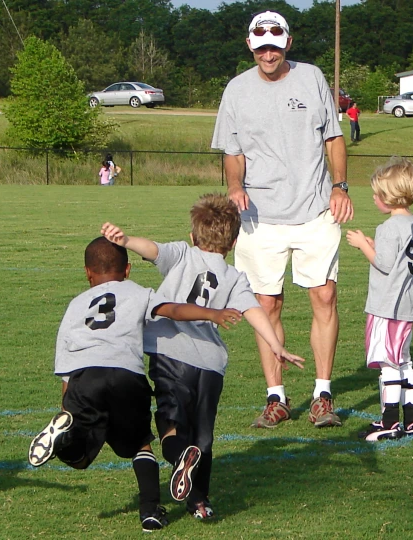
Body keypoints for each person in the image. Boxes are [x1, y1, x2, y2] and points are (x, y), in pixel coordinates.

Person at [101, 193, 305, 520]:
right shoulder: (234, 276)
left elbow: (153, 249)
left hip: (170, 353)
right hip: (210, 364)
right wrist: (276, 345)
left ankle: (180, 455)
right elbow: (253, 310)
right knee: (203, 434)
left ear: (193, 236)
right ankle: (200, 501)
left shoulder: (182, 254)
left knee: (170, 424)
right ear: (234, 241)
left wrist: (125, 239)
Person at [27, 237, 243, 532]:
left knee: (78, 457)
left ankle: (62, 435)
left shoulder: (76, 305)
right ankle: (151, 511)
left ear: (87, 273)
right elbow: (175, 310)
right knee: (141, 441)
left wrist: (67, 405)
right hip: (126, 374)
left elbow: (65, 362)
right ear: (127, 269)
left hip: (85, 377)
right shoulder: (138, 293)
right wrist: (213, 314)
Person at [211, 10, 354, 429]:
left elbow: (333, 139)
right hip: (259, 219)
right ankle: (276, 397)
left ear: (288, 43)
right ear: (250, 46)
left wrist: (340, 186)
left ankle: (322, 395)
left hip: (314, 211)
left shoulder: (311, 78)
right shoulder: (236, 91)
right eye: (260, 47)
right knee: (265, 305)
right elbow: (232, 153)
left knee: (324, 298)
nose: (268, 53)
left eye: (275, 45)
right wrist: (235, 185)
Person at [345, 157, 413, 441]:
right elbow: (397, 257)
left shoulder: (389, 227)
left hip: (387, 305)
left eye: (378, 194)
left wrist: (362, 246)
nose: (374, 198)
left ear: (390, 197)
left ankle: (390, 421)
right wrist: (372, 243)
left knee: (388, 363)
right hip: (406, 303)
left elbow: (382, 263)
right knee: (404, 360)